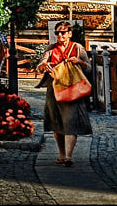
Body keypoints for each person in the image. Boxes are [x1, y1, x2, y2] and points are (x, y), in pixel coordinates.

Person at [35, 21, 93, 166]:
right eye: (57, 32)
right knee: (57, 122)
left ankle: (68, 156)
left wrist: (79, 61)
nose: (60, 35)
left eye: (63, 32)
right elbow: (39, 66)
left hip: (74, 90)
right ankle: (61, 154)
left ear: (70, 34)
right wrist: (44, 66)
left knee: (71, 121)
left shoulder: (78, 48)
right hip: (55, 89)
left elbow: (89, 68)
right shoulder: (51, 48)